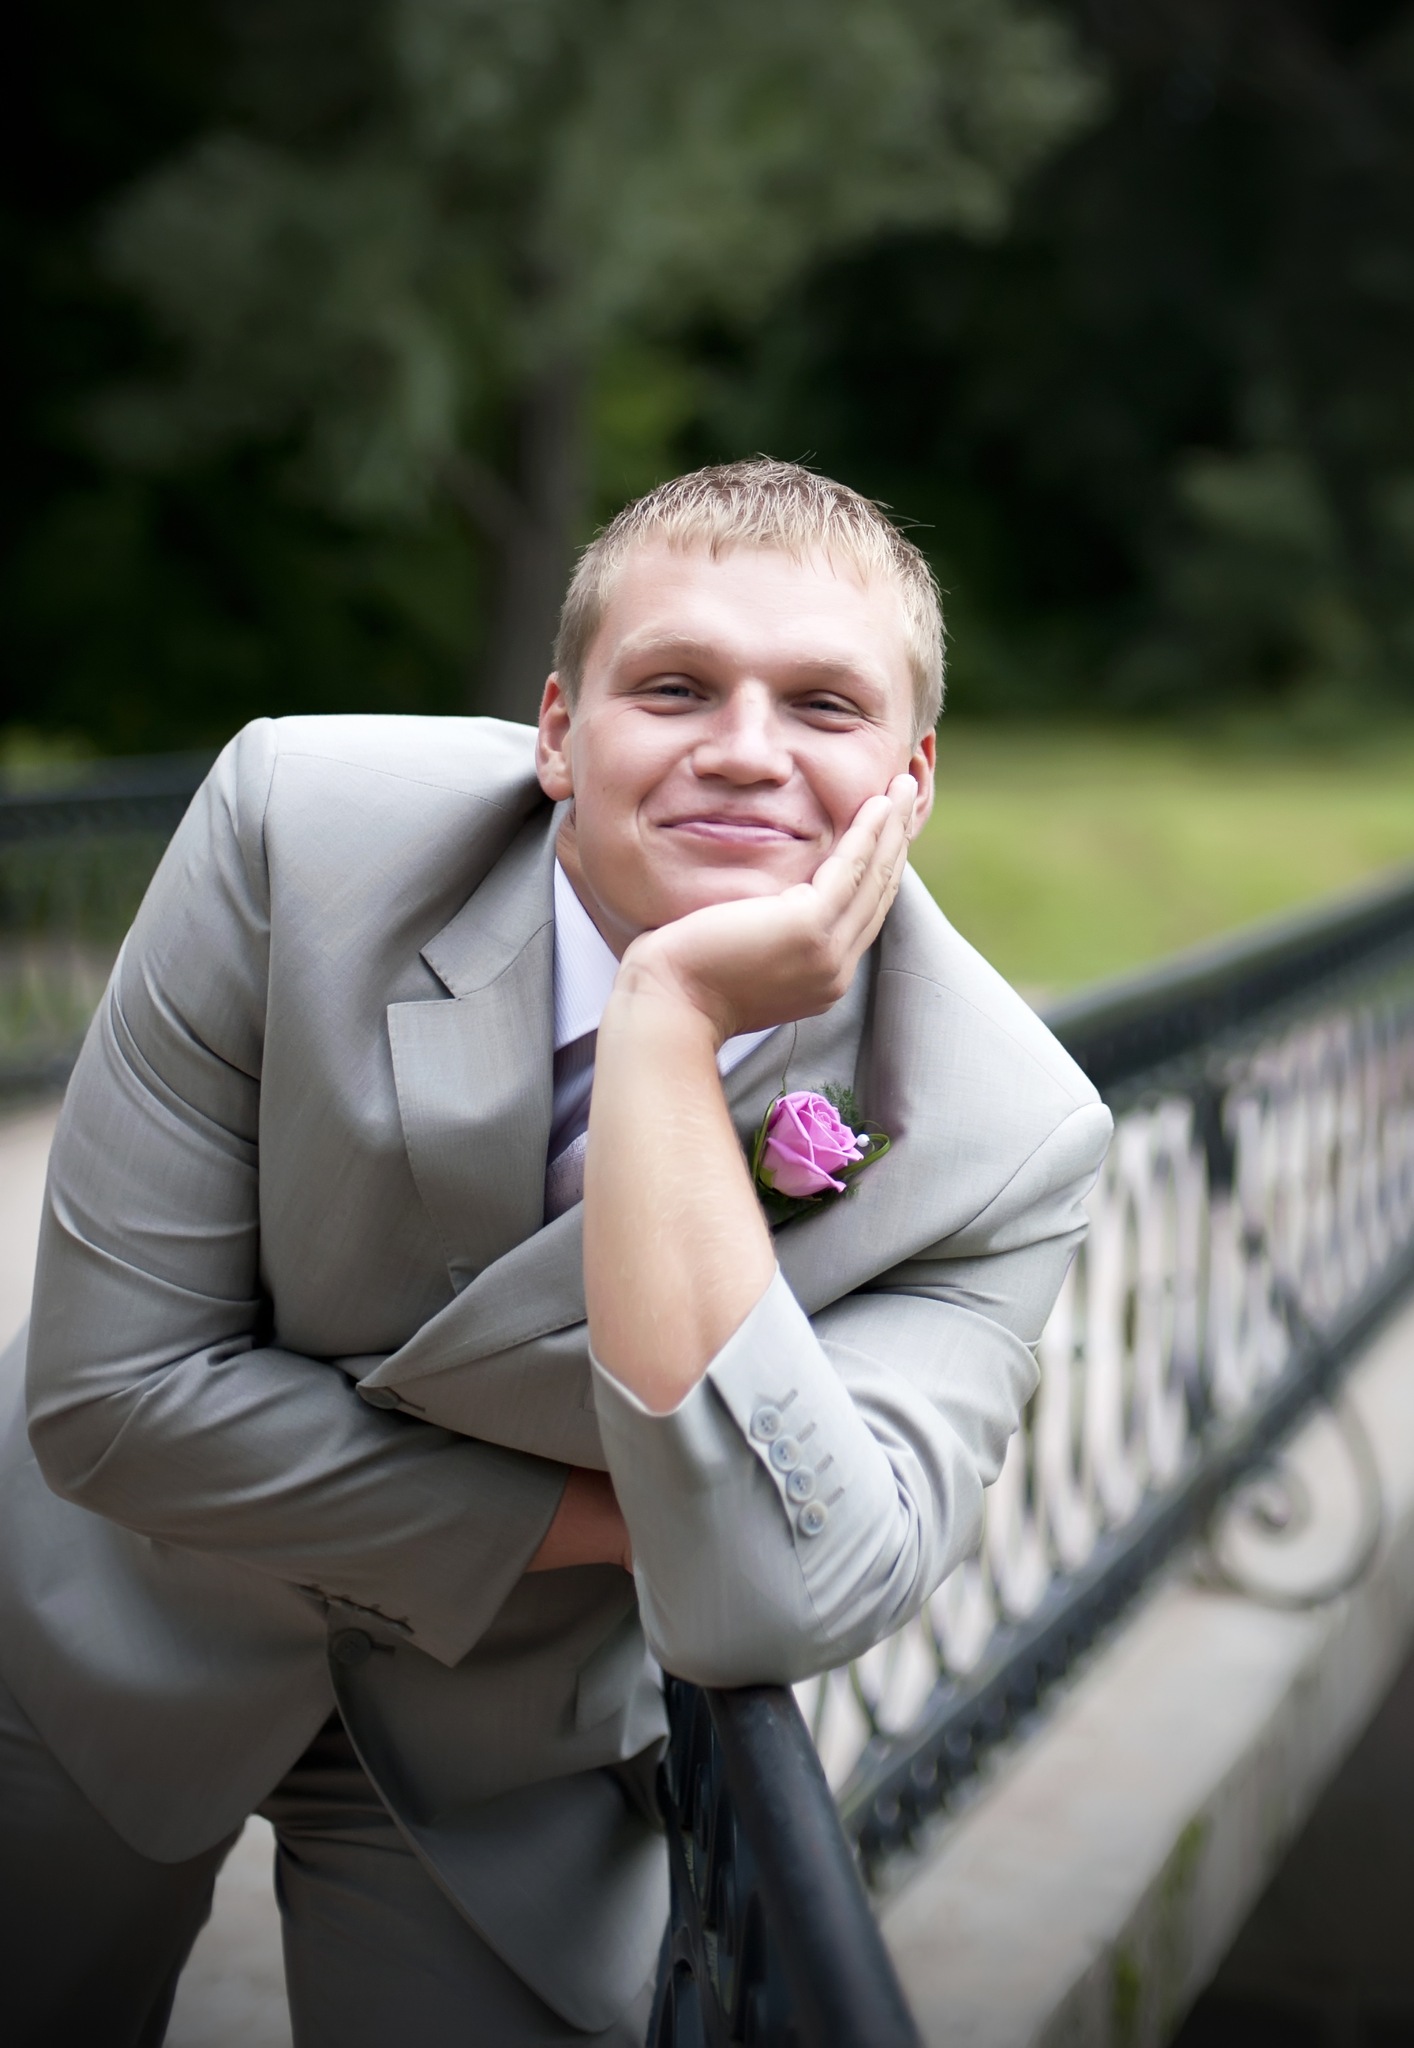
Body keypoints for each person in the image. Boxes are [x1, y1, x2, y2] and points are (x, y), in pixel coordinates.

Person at [0, 460, 1111, 2046]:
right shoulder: (298, 830)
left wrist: (669, 1021)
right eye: (673, 687)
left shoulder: (998, 1134)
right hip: (106, 1610)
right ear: (554, 730)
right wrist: (621, 1516)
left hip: (510, 1741)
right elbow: (114, 1405)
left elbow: (777, 1594)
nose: (746, 749)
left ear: (911, 779)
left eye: (822, 704)